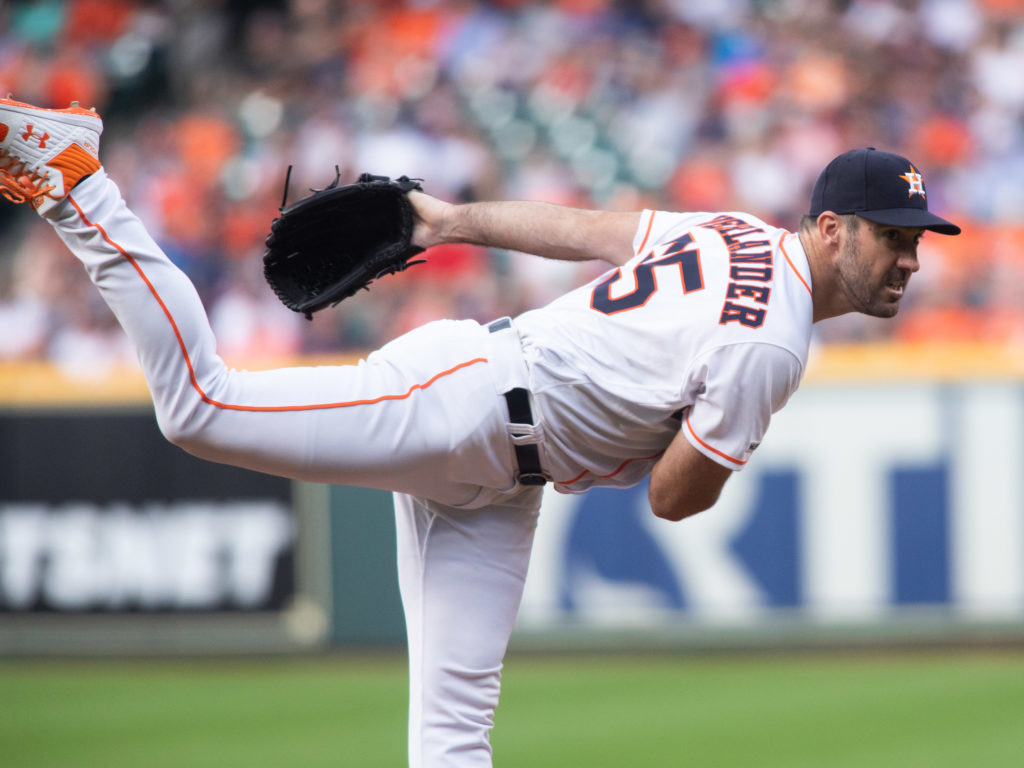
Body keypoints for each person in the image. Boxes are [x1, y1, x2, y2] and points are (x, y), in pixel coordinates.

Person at [0, 96, 960, 767]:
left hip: (504, 475)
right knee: (198, 408)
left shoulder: (735, 231)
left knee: (454, 733)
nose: (910, 257)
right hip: (466, 403)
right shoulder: (773, 348)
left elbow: (587, 230)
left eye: (917, 237)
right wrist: (710, 438)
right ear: (831, 228)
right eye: (893, 234)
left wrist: (452, 220)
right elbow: (673, 498)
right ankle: (79, 179)